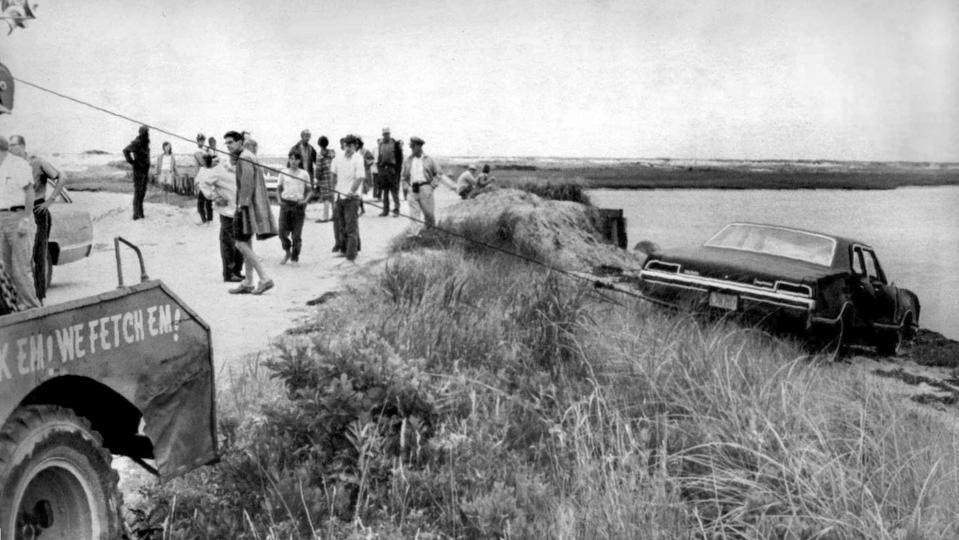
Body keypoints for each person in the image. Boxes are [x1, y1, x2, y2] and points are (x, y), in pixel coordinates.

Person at [8, 135, 68, 303]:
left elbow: (62, 177)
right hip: (20, 212)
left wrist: (51, 200)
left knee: (39, 256)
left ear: (22, 146)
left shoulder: (37, 162)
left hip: (38, 211)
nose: (10, 149)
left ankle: (39, 299)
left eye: (13, 145)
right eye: (9, 146)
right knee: (19, 257)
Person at [224, 131, 277, 295]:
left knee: (239, 243)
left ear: (240, 142)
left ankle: (264, 278)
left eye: (231, 142)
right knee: (246, 243)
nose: (228, 145)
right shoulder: (247, 155)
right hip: (251, 205)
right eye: (226, 143)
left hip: (247, 206)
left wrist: (242, 205)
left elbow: (247, 183)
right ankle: (248, 282)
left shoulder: (245, 157)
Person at [0, 135, 39, 309]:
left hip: (18, 216)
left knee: (20, 268)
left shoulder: (18, 165)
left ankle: (31, 306)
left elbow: (29, 192)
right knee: (6, 268)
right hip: (1, 218)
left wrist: (25, 218)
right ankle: (14, 308)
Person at [196, 155, 244, 282]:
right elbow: (203, 182)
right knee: (228, 243)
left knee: (241, 243)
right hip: (227, 212)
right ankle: (229, 274)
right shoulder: (220, 168)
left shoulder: (244, 168)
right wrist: (215, 197)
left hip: (241, 211)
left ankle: (237, 271)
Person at [400, 137, 454, 228]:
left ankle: (430, 233)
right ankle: (414, 235)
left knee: (429, 215)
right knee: (414, 216)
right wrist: (406, 188)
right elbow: (403, 176)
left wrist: (432, 186)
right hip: (412, 189)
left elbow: (439, 173)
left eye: (413, 146)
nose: (411, 148)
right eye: (410, 146)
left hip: (425, 189)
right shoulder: (408, 160)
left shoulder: (429, 159)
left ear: (419, 146)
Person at [330, 135, 365, 261]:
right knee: (341, 226)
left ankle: (351, 255)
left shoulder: (358, 158)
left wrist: (351, 191)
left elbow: (360, 177)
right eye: (346, 145)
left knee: (351, 228)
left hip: (352, 198)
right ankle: (344, 250)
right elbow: (333, 175)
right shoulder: (337, 159)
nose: (348, 148)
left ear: (355, 146)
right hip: (339, 196)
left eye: (351, 146)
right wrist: (333, 192)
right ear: (343, 145)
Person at [276, 151, 312, 265]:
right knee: (281, 232)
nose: (293, 161)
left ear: (300, 161)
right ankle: (287, 252)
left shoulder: (304, 174)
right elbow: (278, 189)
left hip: (298, 206)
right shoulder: (283, 172)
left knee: (296, 235)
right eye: (291, 159)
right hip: (285, 205)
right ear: (288, 160)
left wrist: (305, 201)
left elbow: (310, 191)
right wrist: (279, 200)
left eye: (296, 159)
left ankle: (295, 257)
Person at [122, 125, 150, 220]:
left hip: (145, 171)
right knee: (138, 192)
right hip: (138, 171)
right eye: (146, 132)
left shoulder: (145, 143)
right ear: (142, 133)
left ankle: (140, 213)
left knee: (142, 192)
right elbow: (126, 150)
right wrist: (132, 162)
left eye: (147, 132)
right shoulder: (137, 142)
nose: (147, 134)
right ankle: (136, 214)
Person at [377, 127, 403, 216]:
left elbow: (400, 159)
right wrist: (380, 168)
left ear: (390, 134)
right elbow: (379, 157)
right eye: (384, 134)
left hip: (392, 170)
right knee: (385, 191)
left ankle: (396, 210)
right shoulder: (381, 144)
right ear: (382, 135)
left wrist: (397, 171)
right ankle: (385, 210)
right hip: (383, 170)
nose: (386, 135)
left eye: (387, 134)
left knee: (394, 191)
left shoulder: (395, 144)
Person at [314, 135, 336, 223]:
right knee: (332, 197)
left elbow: (318, 169)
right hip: (333, 177)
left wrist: (317, 177)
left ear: (319, 144)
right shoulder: (332, 153)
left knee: (326, 198)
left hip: (324, 178)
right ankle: (335, 215)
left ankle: (325, 217)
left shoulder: (320, 156)